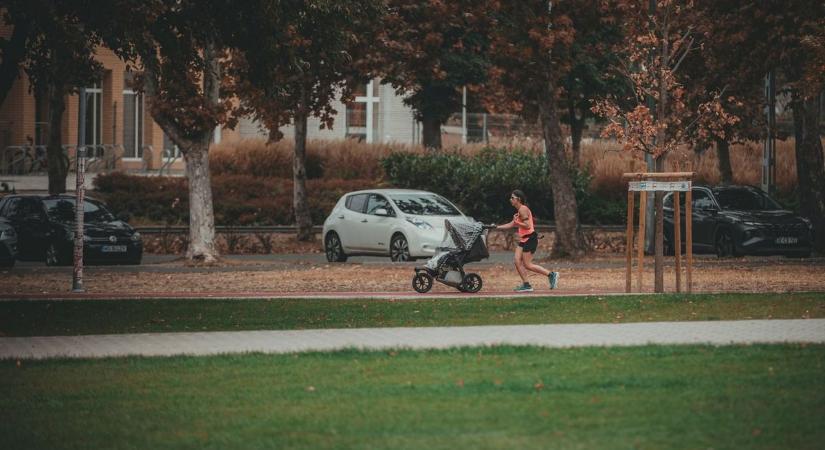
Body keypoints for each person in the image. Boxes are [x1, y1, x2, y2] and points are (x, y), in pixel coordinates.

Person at [494, 190, 559, 292]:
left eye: (512, 198)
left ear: (518, 199)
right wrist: (496, 227)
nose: (510, 200)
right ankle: (526, 285)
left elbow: (527, 225)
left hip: (530, 239)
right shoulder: (519, 211)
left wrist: (517, 222)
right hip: (524, 239)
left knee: (528, 265)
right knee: (517, 261)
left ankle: (551, 274)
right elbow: (511, 224)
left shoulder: (523, 209)